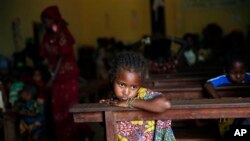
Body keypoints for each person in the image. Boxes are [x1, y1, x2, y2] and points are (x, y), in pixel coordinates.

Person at [99, 51, 176, 141]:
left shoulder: (144, 95)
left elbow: (165, 104)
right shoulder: (112, 99)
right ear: (113, 79)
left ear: (139, 85)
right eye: (122, 85)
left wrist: (129, 102)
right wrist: (104, 107)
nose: (126, 92)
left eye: (133, 87)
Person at [40, 6, 80, 141]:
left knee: (70, 110)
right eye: (43, 19)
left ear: (54, 19)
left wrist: (52, 77)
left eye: (47, 19)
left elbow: (61, 58)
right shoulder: (47, 35)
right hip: (56, 79)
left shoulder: (62, 34)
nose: (44, 22)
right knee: (58, 110)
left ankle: (76, 137)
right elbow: (45, 56)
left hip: (67, 77)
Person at [204, 52, 250, 139]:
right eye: (234, 73)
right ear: (226, 71)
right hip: (230, 121)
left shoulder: (248, 77)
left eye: (242, 73)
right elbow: (207, 84)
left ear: (246, 70)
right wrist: (220, 102)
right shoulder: (224, 78)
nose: (238, 76)